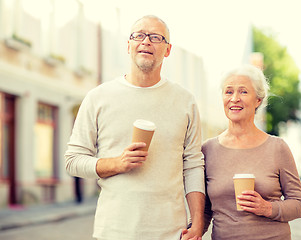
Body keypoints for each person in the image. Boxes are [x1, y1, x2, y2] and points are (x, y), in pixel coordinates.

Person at [65, 15, 204, 240]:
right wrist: (116, 163)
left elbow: (194, 165)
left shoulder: (185, 101)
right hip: (114, 231)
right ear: (128, 46)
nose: (146, 41)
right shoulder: (98, 97)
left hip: (171, 232)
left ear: (167, 50)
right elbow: (73, 161)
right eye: (138, 35)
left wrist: (197, 222)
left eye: (156, 37)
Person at [202, 64, 301, 240]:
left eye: (243, 92)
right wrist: (194, 231)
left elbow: (299, 204)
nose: (234, 98)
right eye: (228, 92)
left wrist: (267, 208)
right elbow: (205, 209)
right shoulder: (208, 149)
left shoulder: (277, 147)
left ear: (258, 100)